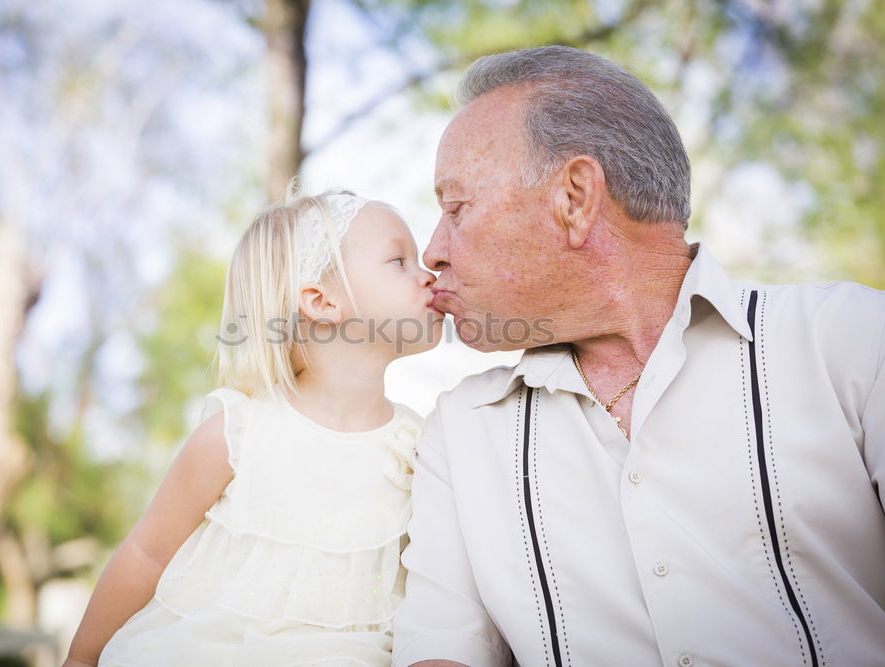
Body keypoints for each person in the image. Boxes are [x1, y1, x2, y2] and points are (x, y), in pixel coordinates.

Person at [393, 45, 885, 667]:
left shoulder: (854, 342)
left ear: (574, 197)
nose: (432, 251)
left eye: (456, 207)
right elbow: (439, 649)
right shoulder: (460, 432)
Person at [63, 190, 444, 666]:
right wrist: (80, 659)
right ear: (321, 301)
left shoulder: (418, 446)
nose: (429, 273)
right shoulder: (236, 433)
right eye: (399, 260)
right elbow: (146, 553)